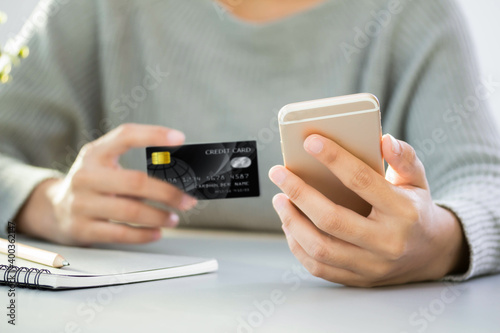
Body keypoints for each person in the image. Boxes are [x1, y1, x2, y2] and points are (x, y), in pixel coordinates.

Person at [0, 0, 499, 287]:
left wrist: (439, 242)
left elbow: (486, 184)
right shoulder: (96, 9)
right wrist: (47, 204)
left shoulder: (410, 13)